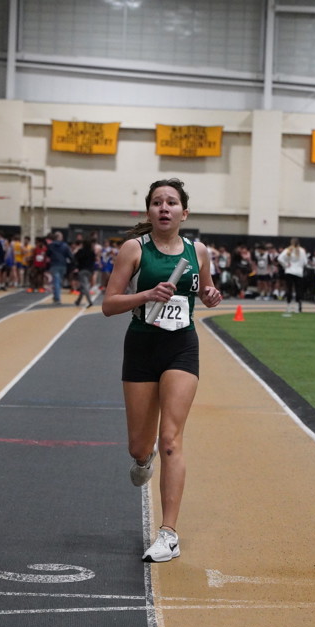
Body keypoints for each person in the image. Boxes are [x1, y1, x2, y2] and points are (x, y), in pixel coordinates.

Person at [102, 178, 222, 563]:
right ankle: (143, 459)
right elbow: (109, 304)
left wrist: (210, 295)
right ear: (149, 211)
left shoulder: (198, 251)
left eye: (171, 202)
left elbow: (205, 292)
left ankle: (169, 534)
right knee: (140, 446)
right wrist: (146, 295)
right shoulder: (134, 249)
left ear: (184, 212)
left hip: (181, 347)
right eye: (157, 202)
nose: (164, 208)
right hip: (141, 346)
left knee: (170, 439)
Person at [277, 238, 308, 316]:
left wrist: (285, 265)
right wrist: (300, 266)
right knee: (298, 289)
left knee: (289, 289)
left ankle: (288, 306)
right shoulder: (302, 251)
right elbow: (305, 262)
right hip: (299, 272)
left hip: (289, 271)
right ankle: (297, 307)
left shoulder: (288, 250)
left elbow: (279, 258)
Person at [47, 231, 73, 304]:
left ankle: (57, 297)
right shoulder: (65, 246)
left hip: (54, 264)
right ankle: (56, 296)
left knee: (56, 281)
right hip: (63, 265)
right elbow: (69, 255)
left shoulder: (51, 245)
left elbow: (48, 254)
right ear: (61, 238)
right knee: (59, 281)